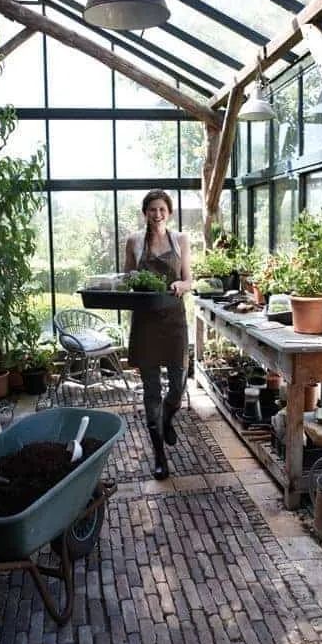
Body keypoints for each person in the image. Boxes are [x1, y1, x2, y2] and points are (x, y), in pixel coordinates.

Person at [124, 190, 192, 480]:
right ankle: (159, 456)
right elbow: (127, 277)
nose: (157, 214)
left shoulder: (181, 241)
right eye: (152, 209)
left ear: (169, 212)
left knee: (178, 384)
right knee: (151, 390)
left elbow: (191, 279)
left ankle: (167, 417)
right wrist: (134, 282)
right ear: (145, 213)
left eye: (162, 209)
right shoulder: (134, 241)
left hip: (174, 321)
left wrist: (181, 284)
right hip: (146, 323)